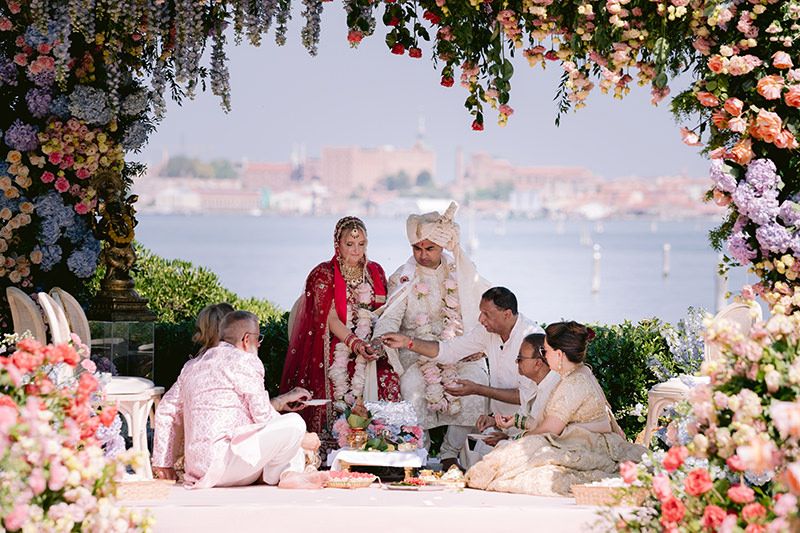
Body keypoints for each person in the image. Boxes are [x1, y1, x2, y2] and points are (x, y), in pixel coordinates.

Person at [465, 321, 646, 496]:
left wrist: (515, 438)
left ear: (559, 355)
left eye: (546, 351)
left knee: (520, 458)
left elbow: (550, 429)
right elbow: (549, 423)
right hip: (574, 440)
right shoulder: (575, 375)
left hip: (585, 446)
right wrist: (516, 422)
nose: (544, 356)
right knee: (516, 451)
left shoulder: (574, 383)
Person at [373, 202, 490, 465]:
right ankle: (420, 455)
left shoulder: (460, 272)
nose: (423, 254)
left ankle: (450, 454)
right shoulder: (403, 278)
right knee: (413, 388)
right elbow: (389, 316)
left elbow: (478, 310)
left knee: (475, 388)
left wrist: (477, 346)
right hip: (415, 353)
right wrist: (379, 339)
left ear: (442, 247)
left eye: (430, 248)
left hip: (457, 352)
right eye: (417, 248)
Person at [152, 311, 321, 488]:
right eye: (259, 338)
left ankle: (288, 474)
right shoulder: (245, 360)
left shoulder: (191, 366)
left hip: (197, 470)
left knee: (288, 435)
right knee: (294, 423)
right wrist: (302, 437)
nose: (260, 344)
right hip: (227, 463)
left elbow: (166, 410)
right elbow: (263, 416)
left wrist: (163, 462)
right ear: (247, 339)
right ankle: (281, 475)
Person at [280, 216, 401, 435]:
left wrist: (374, 343)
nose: (356, 250)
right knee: (340, 375)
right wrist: (355, 344)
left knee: (388, 375)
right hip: (334, 344)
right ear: (337, 244)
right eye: (350, 244)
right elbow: (330, 319)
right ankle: (335, 442)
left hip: (370, 343)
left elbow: (383, 313)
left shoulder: (375, 272)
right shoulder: (323, 274)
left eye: (361, 244)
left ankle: (384, 440)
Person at [382, 287, 542, 421]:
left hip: (529, 424)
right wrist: (408, 342)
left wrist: (478, 389)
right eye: (481, 313)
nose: (481, 319)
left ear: (506, 314)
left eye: (487, 314)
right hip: (498, 422)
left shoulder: (531, 339)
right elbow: (449, 351)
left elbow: (524, 396)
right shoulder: (487, 331)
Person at [461, 333, 560, 468]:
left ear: (537, 363)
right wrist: (496, 422)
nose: (516, 362)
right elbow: (528, 420)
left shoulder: (556, 388)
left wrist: (510, 440)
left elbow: (546, 431)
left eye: (520, 358)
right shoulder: (533, 384)